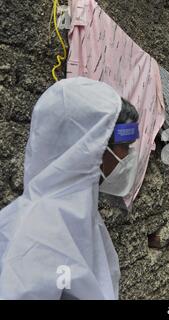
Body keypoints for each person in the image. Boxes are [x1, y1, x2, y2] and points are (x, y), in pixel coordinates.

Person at [0, 77, 139, 299]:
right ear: (91, 147)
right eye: (124, 146)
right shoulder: (34, 235)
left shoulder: (79, 217)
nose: (129, 156)